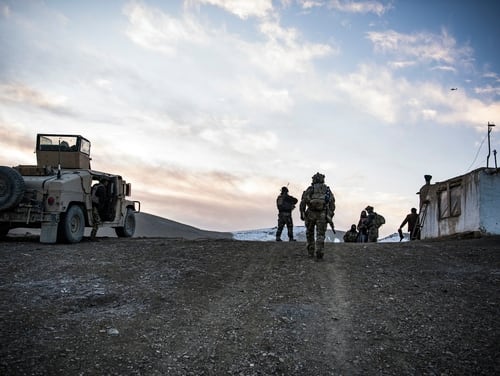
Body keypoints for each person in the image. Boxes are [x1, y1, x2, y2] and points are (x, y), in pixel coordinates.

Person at [299, 172, 335, 259]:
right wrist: (329, 215)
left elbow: (303, 201)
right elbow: (332, 203)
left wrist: (302, 212)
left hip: (310, 213)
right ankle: (320, 251)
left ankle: (311, 251)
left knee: (310, 232)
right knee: (321, 234)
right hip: (322, 214)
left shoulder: (311, 188)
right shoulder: (327, 190)